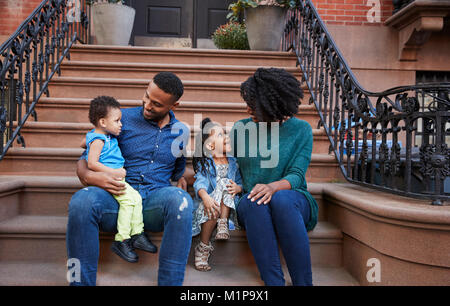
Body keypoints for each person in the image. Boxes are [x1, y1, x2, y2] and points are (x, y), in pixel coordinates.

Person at [66, 72, 193, 286]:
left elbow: (180, 172)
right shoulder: (120, 119)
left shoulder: (180, 132)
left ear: (174, 105)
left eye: (156, 104)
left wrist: (193, 179)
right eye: (146, 96)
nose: (147, 105)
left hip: (154, 201)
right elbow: (85, 159)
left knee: (181, 201)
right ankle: (77, 282)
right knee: (81, 202)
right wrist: (89, 177)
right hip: (116, 197)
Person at [230, 68, 319, 286]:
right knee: (254, 201)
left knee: (281, 199)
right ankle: (274, 283)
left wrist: (273, 187)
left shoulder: (301, 130)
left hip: (292, 198)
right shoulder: (241, 128)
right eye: (247, 102)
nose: (248, 108)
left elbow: (297, 175)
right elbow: (228, 166)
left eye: (254, 104)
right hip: (253, 201)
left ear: (274, 105)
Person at [83, 96, 157, 263]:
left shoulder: (105, 136)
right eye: (116, 121)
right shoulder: (98, 139)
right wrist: (114, 172)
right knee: (127, 202)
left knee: (136, 198)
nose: (120, 124)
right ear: (102, 122)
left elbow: (85, 141)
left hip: (117, 178)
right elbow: (92, 163)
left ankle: (137, 233)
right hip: (110, 179)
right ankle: (122, 239)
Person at [191, 117, 243, 271]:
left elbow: (240, 181)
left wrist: (239, 189)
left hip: (229, 204)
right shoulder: (206, 164)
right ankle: (203, 247)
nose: (227, 136)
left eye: (225, 133)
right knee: (214, 201)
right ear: (210, 145)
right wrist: (205, 197)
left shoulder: (234, 162)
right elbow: (199, 183)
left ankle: (223, 222)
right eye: (221, 135)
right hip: (211, 204)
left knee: (226, 183)